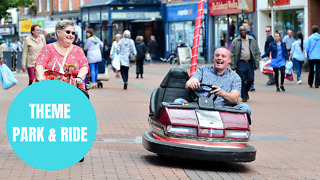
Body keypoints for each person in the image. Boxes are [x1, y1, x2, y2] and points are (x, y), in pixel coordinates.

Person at [179, 47, 251, 114]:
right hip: (198, 107)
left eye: (223, 56)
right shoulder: (203, 70)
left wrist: (222, 93)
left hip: (223, 110)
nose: (219, 58)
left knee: (246, 108)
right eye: (217, 55)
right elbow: (188, 83)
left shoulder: (235, 77)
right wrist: (192, 83)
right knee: (178, 102)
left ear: (229, 60)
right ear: (214, 58)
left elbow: (234, 98)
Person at [35, 20, 88, 91]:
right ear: (58, 32)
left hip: (74, 90)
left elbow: (84, 66)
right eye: (68, 32)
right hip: (51, 89)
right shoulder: (47, 49)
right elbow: (39, 65)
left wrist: (79, 78)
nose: (71, 35)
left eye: (73, 33)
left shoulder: (78, 50)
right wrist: (41, 78)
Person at [231, 26, 260, 102]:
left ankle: (245, 92)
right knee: (242, 80)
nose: (243, 32)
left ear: (246, 31)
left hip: (250, 63)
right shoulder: (235, 41)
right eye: (241, 31)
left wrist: (257, 63)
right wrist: (233, 65)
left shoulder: (251, 40)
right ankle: (244, 96)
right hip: (240, 63)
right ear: (239, 32)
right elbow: (232, 54)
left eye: (244, 30)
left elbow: (256, 52)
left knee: (251, 79)